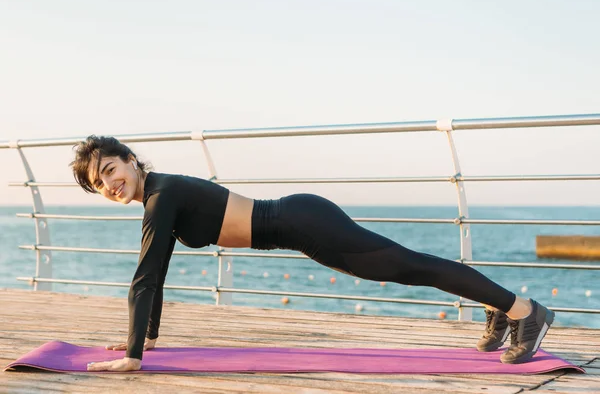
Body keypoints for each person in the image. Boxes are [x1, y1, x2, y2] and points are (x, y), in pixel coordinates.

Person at [70, 135, 554, 372]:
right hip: (302, 227)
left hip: (303, 221)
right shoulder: (160, 196)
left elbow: (144, 275)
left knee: (410, 266)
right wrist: (148, 338)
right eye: (100, 183)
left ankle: (525, 311)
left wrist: (133, 355)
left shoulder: (162, 194)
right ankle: (499, 307)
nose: (110, 183)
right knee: (409, 267)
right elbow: (158, 270)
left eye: (111, 168)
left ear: (131, 160)